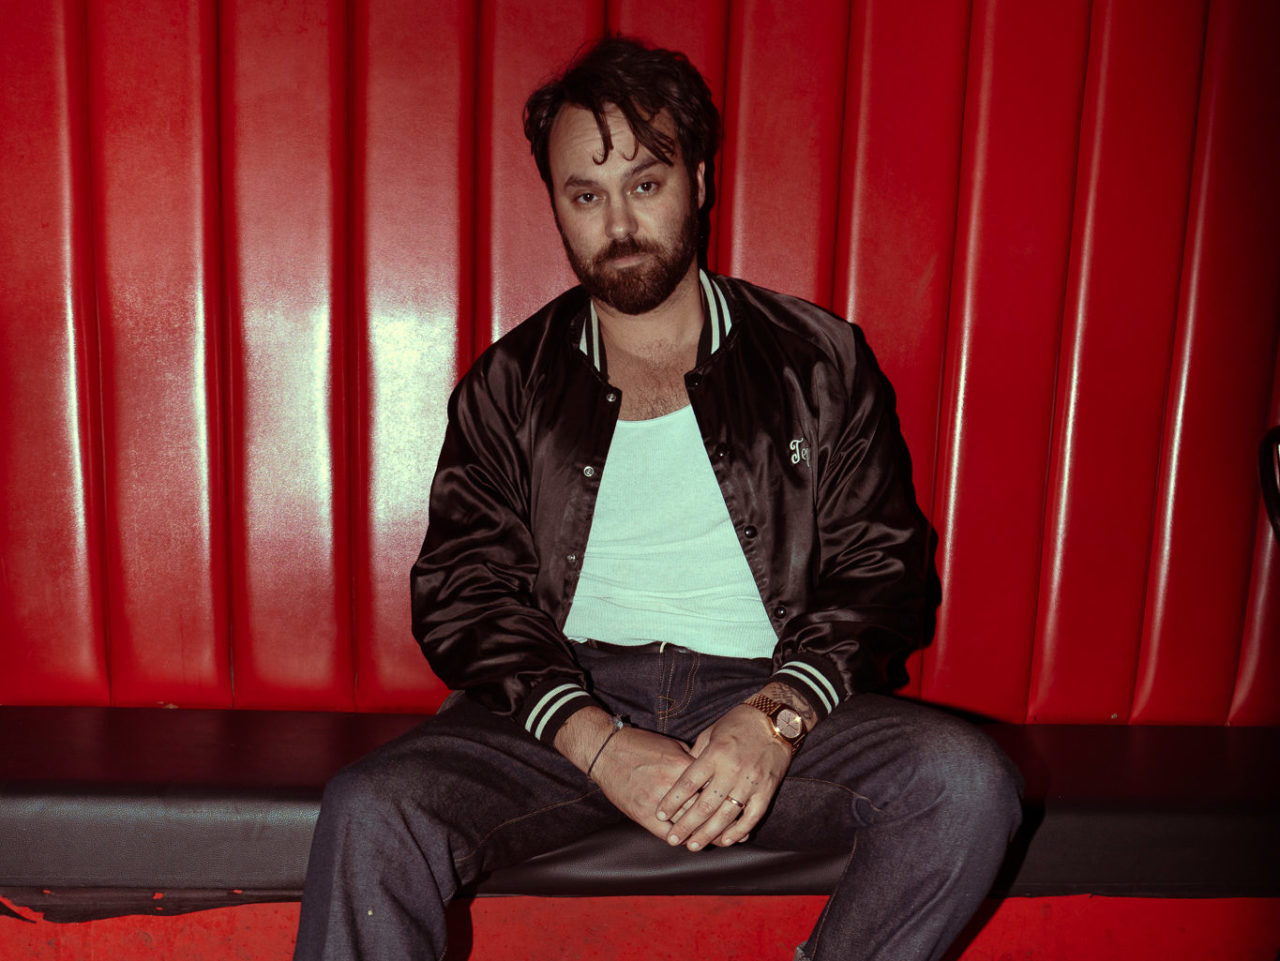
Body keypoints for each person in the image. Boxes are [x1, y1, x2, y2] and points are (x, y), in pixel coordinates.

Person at [294, 36, 1021, 961]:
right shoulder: (509, 384)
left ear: (698, 181)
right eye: (585, 195)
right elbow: (464, 595)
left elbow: (883, 571)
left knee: (964, 783)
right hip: (567, 698)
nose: (620, 222)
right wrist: (596, 740)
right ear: (557, 207)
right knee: (372, 810)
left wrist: (778, 715)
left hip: (765, 690)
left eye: (645, 182)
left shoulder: (815, 360)